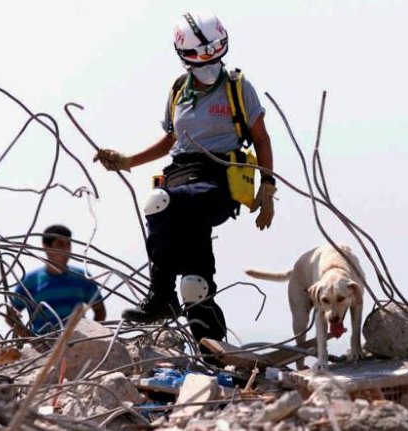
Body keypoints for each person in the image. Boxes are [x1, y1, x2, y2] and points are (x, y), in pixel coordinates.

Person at [93, 12, 276, 350]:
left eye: (214, 52)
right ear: (184, 56)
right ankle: (214, 354)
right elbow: (171, 140)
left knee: (159, 203)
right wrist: (127, 161)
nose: (207, 61)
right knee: (195, 284)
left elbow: (262, 138)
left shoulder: (238, 87)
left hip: (218, 179)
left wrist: (267, 187)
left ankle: (161, 296)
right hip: (180, 174)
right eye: (198, 55)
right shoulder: (179, 90)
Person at [6, 224, 106, 336]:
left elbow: (100, 310)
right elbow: (10, 316)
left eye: (68, 244)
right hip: (44, 345)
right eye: (60, 244)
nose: (66, 249)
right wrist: (32, 340)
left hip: (77, 342)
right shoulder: (31, 281)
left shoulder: (82, 277)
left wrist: (92, 336)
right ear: (46, 246)